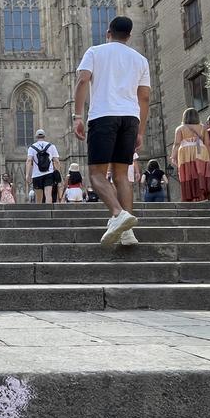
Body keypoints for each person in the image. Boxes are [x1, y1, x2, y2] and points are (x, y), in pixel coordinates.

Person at [72, 16, 148, 247]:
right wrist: (140, 131)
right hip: (130, 118)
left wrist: (77, 116)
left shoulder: (95, 52)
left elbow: (83, 80)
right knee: (121, 176)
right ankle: (127, 234)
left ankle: (118, 213)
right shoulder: (140, 60)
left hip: (103, 116)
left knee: (96, 175)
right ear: (129, 36)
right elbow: (144, 97)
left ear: (108, 32)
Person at [171, 108, 210, 202]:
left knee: (189, 174)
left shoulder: (180, 128)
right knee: (200, 173)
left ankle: (192, 197)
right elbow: (208, 143)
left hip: (185, 152)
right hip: (201, 151)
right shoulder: (203, 128)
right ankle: (202, 195)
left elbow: (177, 143)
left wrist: (173, 156)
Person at [25, 129, 60, 204]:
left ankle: (40, 213)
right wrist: (58, 172)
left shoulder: (31, 148)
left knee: (38, 197)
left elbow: (29, 161)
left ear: (36, 137)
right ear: (44, 136)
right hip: (49, 174)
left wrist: (27, 174)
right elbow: (56, 161)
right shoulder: (51, 146)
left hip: (37, 175)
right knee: (48, 195)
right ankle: (49, 212)